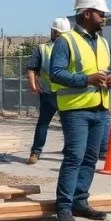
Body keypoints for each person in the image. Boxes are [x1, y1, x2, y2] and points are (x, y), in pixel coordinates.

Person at [49, 0, 111, 221]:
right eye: (101, 13)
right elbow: (55, 74)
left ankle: (80, 201)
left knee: (90, 158)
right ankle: (64, 207)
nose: (104, 17)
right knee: (74, 157)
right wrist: (86, 80)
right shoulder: (65, 41)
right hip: (76, 110)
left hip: (100, 107)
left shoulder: (103, 42)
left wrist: (108, 80)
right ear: (87, 13)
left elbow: (101, 70)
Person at [26, 18, 71, 164]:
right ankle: (39, 151)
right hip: (57, 93)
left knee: (48, 123)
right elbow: (32, 68)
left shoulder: (46, 48)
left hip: (57, 92)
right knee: (64, 124)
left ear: (53, 30)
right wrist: (33, 83)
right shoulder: (47, 48)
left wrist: (33, 84)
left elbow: (31, 68)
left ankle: (37, 152)